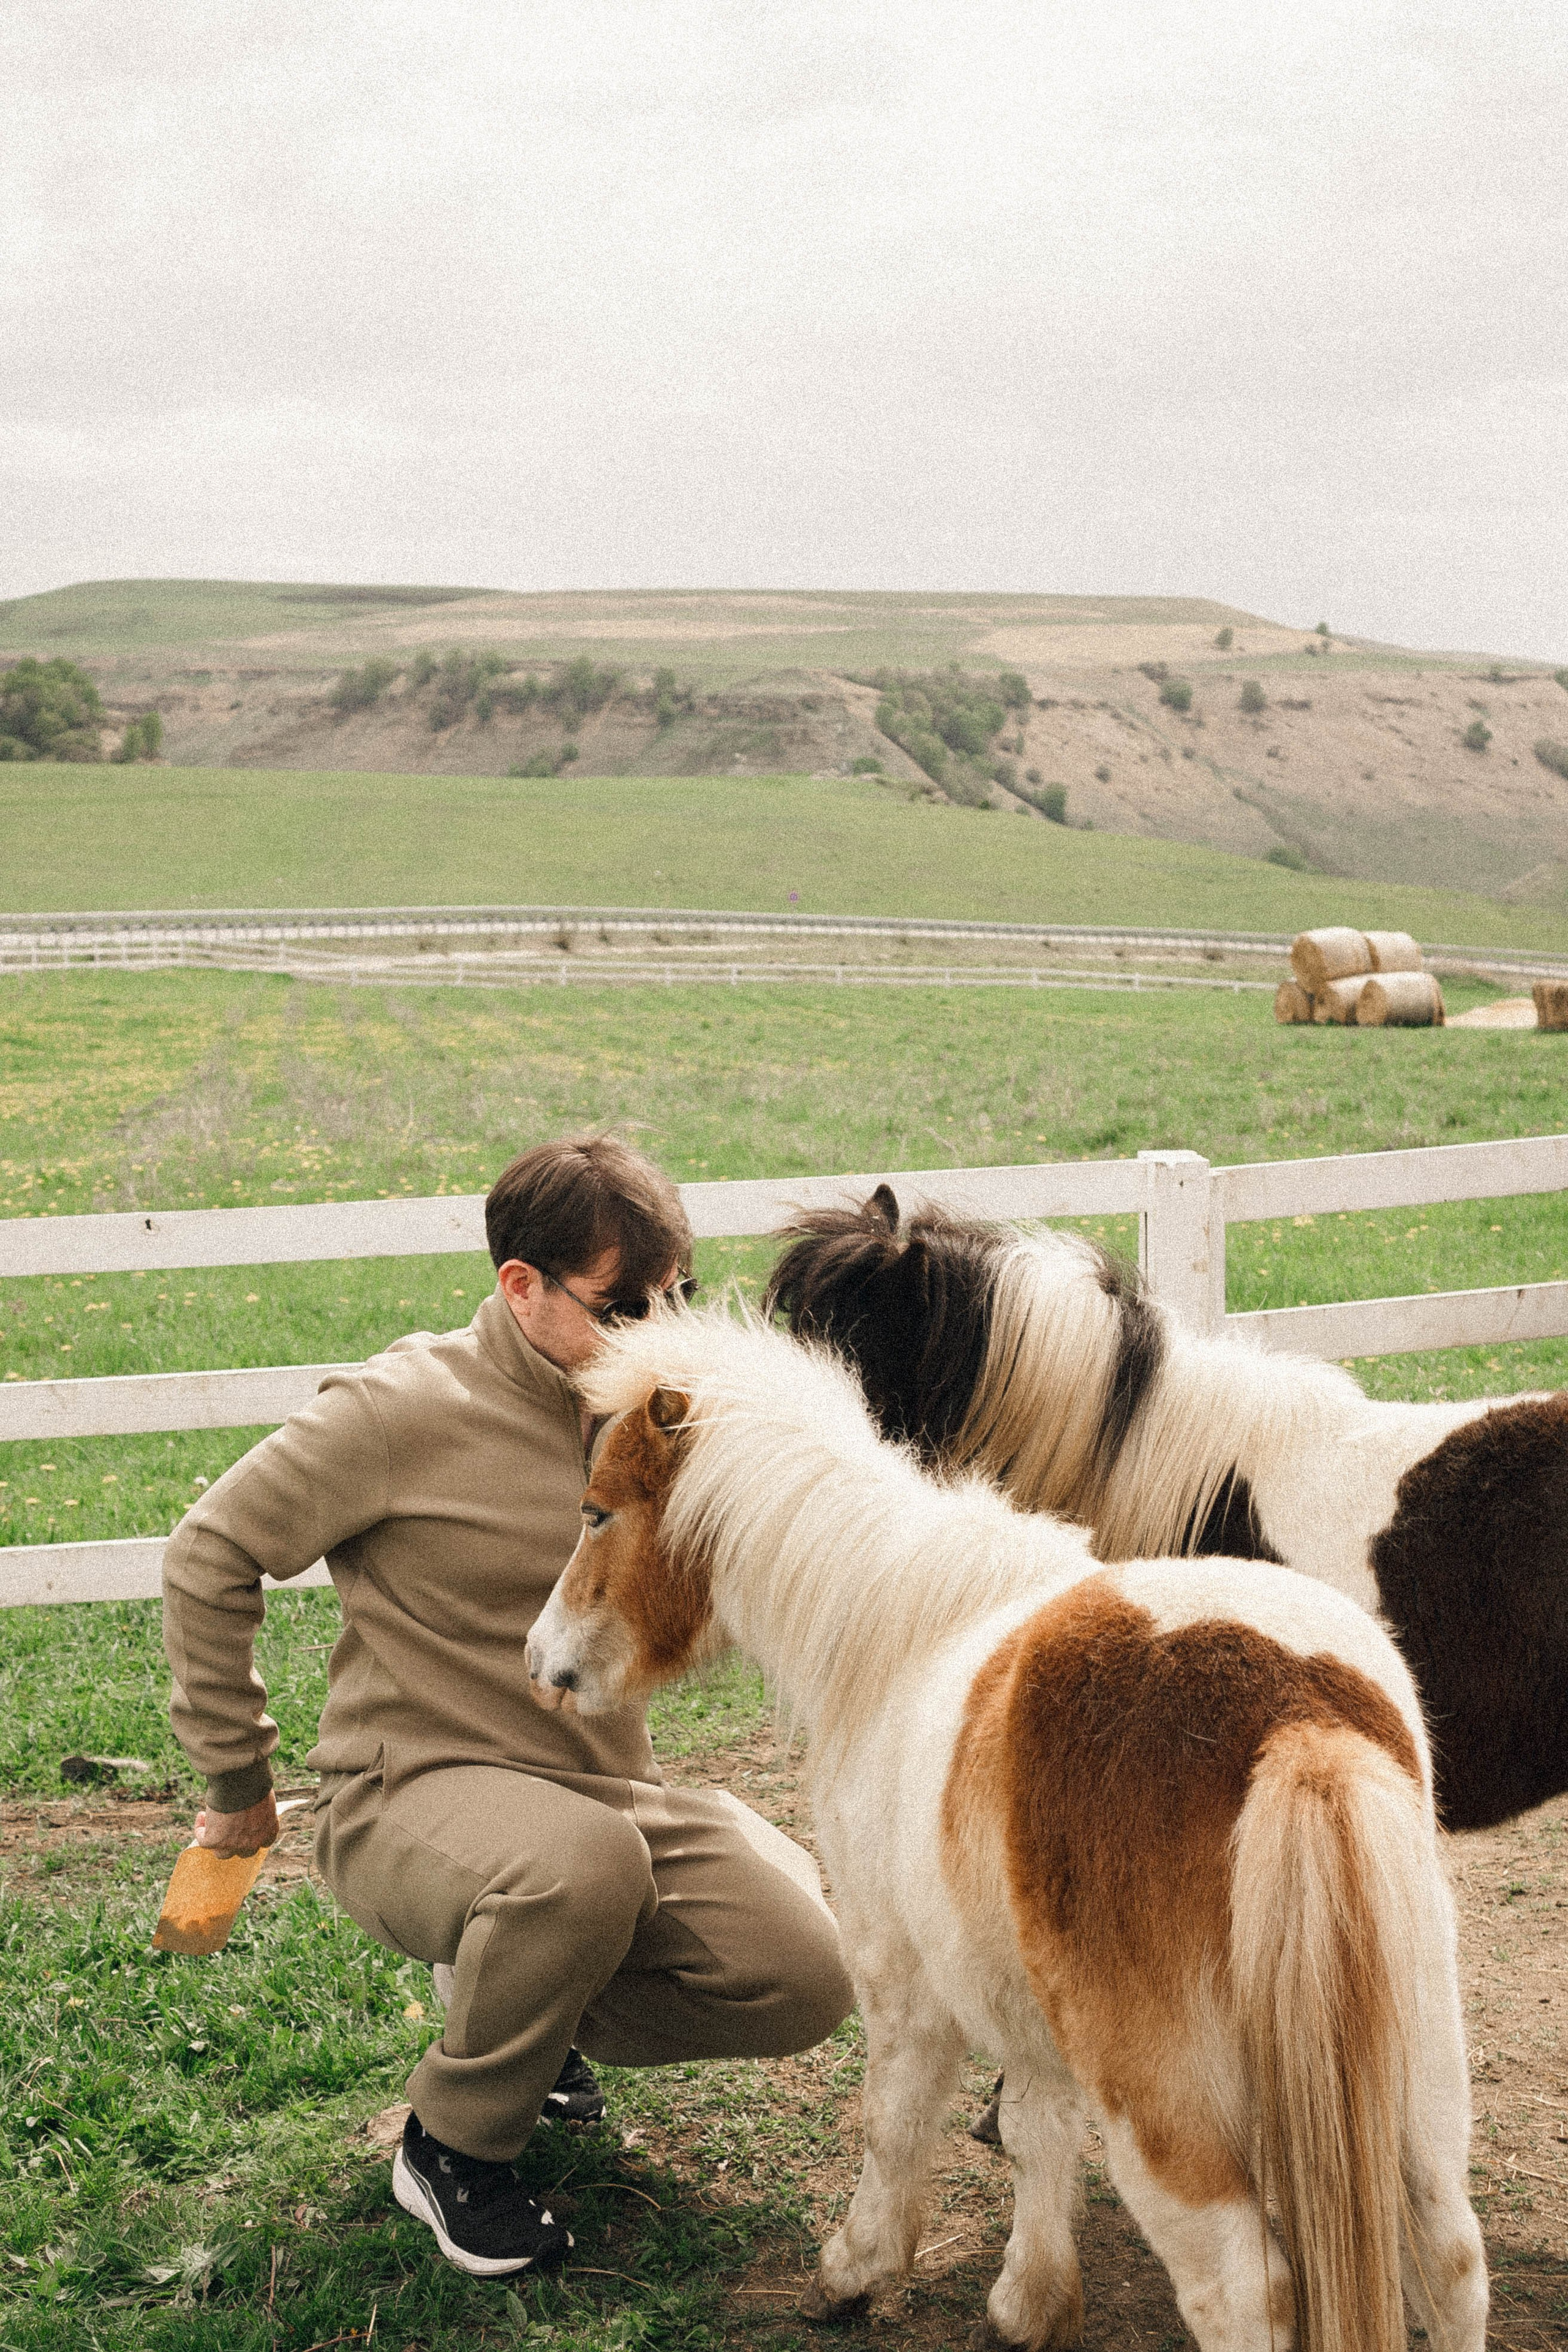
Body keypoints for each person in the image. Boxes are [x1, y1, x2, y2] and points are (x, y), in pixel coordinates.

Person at [162, 1135, 854, 2279]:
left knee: (803, 1971)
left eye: (678, 1291)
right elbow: (208, 1554)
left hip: (602, 1792)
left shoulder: (668, 1416)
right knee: (578, 1869)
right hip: (406, 1792)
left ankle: (526, 2020)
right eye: (627, 1301)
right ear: (520, 1287)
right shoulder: (399, 1409)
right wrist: (236, 1783)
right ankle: (455, 2148)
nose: (663, 1324)